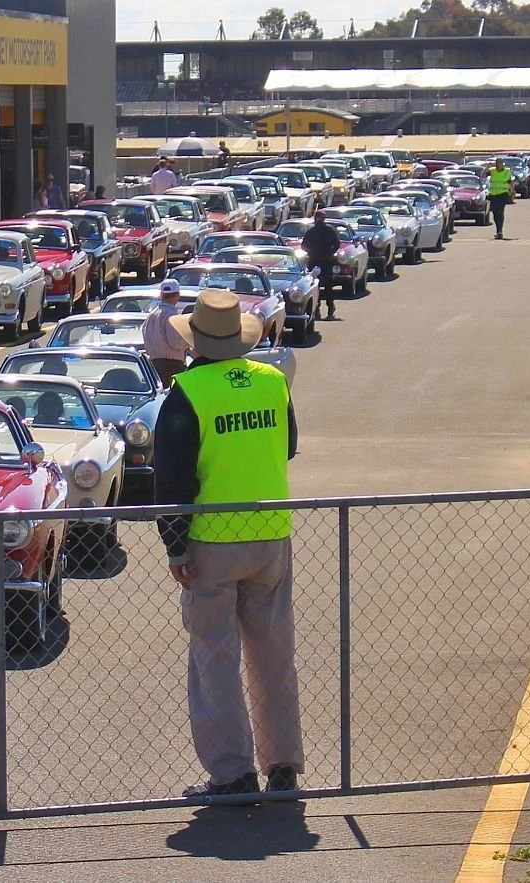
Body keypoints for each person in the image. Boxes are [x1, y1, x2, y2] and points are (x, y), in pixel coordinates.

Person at [156, 288, 302, 801]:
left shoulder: (188, 392)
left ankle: (233, 773)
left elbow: (171, 480)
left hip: (212, 540)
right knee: (273, 655)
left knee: (215, 658)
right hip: (271, 533)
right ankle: (282, 764)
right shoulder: (272, 381)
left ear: (194, 341)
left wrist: (175, 546)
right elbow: (288, 446)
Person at [142, 278, 188, 387]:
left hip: (153, 366)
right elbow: (175, 342)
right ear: (177, 295)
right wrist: (188, 342)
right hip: (172, 366)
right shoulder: (173, 316)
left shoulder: (151, 316)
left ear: (161, 295)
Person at [301, 211, 340, 320]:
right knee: (322, 286)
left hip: (319, 261)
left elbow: (304, 246)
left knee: (321, 286)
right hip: (321, 260)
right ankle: (323, 309)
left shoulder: (314, 231)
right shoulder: (326, 230)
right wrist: (330, 252)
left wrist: (312, 252)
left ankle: (326, 309)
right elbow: (337, 244)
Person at [487, 157, 514, 241]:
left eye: (501, 163)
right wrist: (487, 167)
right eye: (498, 163)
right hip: (493, 195)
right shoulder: (492, 171)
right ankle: (498, 230)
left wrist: (512, 191)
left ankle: (500, 231)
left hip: (503, 194)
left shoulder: (507, 171)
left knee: (500, 212)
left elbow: (510, 182)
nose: (499, 164)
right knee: (495, 213)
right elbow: (483, 175)